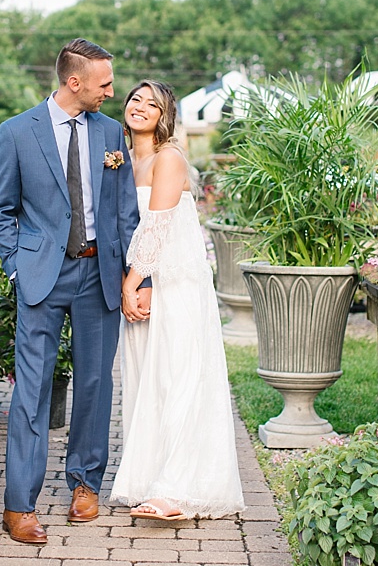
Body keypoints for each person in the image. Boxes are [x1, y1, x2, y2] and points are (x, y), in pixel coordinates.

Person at [0, 40, 140, 546]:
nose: (111, 92)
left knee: (95, 385)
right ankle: (20, 505)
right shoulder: (16, 133)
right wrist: (16, 265)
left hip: (99, 276)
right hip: (41, 279)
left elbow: (125, 211)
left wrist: (132, 273)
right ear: (74, 82)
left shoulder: (112, 132)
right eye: (104, 84)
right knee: (32, 391)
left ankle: (84, 484)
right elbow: (1, 210)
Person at [109, 80, 245, 523]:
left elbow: (156, 227)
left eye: (152, 103)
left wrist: (131, 283)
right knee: (147, 380)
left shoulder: (169, 159)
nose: (140, 107)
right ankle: (150, 479)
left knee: (179, 377)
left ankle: (179, 490)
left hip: (175, 282)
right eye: (135, 99)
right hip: (145, 283)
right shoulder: (122, 159)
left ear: (164, 115)